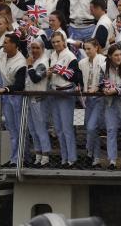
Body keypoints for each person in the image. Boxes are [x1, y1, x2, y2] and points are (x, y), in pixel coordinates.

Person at [0, 33, 27, 167]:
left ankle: (22, 158)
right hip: (7, 96)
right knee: (12, 129)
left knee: (20, 129)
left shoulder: (21, 62)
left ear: (14, 45)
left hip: (17, 96)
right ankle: (15, 158)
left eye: (7, 42)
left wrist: (5, 89)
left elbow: (19, 85)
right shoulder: (2, 51)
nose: (4, 44)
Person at [48, 33, 80, 167]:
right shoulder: (52, 55)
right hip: (55, 92)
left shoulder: (70, 56)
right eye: (53, 42)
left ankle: (72, 159)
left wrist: (59, 70)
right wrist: (50, 73)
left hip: (66, 93)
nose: (56, 44)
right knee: (59, 129)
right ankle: (64, 158)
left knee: (67, 128)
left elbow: (74, 76)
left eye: (58, 41)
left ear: (64, 42)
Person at [78, 38, 106, 169]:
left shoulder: (103, 60)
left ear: (96, 48)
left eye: (89, 48)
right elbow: (80, 80)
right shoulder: (82, 62)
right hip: (86, 99)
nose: (87, 51)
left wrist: (98, 88)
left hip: (98, 98)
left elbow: (106, 79)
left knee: (91, 127)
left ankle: (89, 151)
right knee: (90, 129)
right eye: (85, 49)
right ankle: (96, 158)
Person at [25, 37, 52, 167]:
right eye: (32, 48)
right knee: (32, 129)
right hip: (30, 98)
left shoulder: (43, 62)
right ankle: (38, 155)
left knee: (40, 128)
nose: (34, 50)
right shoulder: (33, 61)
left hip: (39, 99)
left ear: (42, 49)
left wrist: (29, 66)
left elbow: (35, 78)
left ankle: (45, 156)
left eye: (37, 48)